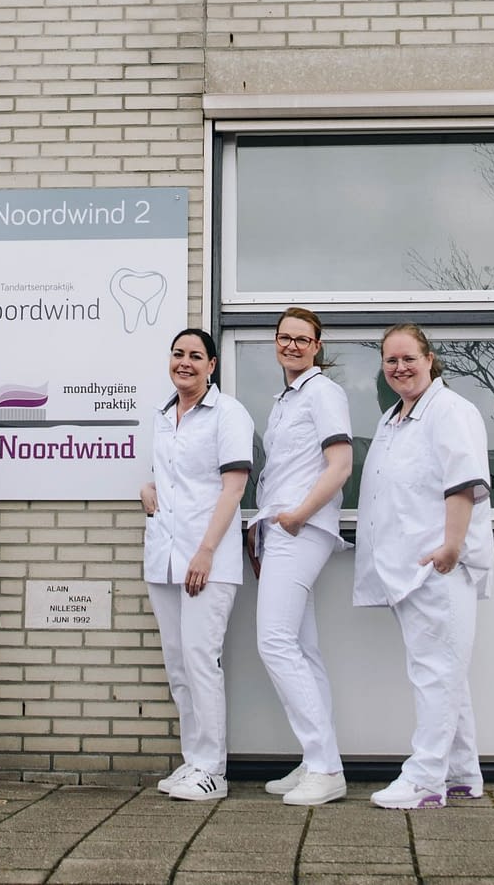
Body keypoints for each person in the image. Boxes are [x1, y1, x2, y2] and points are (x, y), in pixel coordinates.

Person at [353, 324, 494, 810]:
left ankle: (425, 778)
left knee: (435, 674)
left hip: (438, 566)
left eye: (408, 358)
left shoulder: (449, 410)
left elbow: (463, 482)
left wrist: (451, 547)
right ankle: (461, 773)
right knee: (446, 673)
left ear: (429, 359)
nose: (400, 368)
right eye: (390, 361)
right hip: (408, 569)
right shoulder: (395, 418)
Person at [140, 328, 253, 802]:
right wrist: (146, 489)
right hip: (164, 556)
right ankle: (193, 761)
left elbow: (234, 487)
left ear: (211, 365)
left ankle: (212, 769)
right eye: (177, 354)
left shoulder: (228, 413)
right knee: (178, 664)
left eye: (194, 356)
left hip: (207, 558)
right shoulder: (163, 415)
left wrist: (206, 550)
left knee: (201, 660)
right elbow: (171, 478)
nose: (184, 362)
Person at [247, 307, 352, 806]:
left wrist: (297, 515)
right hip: (281, 529)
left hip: (301, 528)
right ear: (276, 342)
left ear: (316, 346)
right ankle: (316, 761)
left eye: (302, 339)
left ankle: (327, 767)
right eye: (284, 337)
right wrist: (265, 526)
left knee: (274, 641)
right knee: (302, 649)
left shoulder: (323, 392)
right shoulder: (285, 400)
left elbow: (341, 464)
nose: (291, 345)